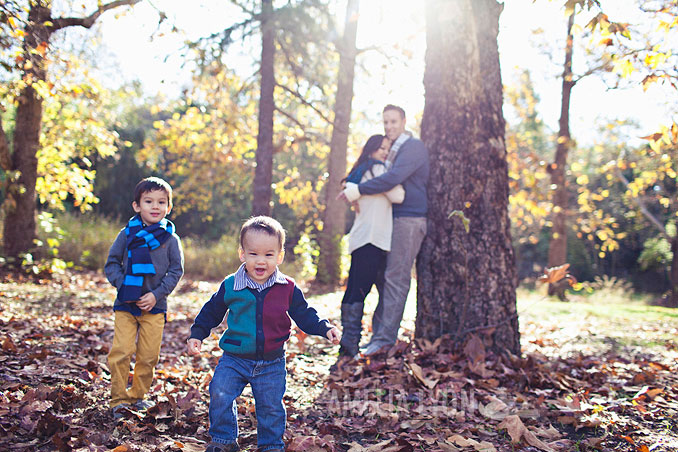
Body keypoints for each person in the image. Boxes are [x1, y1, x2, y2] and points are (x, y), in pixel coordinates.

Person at [187, 216, 341, 452]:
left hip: (271, 361)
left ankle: (270, 444)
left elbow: (305, 313)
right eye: (253, 254)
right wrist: (197, 333)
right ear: (242, 254)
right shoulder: (231, 285)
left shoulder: (287, 287)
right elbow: (211, 311)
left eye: (269, 255)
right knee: (220, 392)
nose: (261, 261)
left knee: (270, 406)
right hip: (235, 358)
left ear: (279, 256)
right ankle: (224, 440)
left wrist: (325, 327)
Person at [340, 104, 429, 356]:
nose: (389, 127)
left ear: (403, 121)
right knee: (386, 279)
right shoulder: (391, 152)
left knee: (396, 279)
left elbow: (393, 180)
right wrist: (351, 184)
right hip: (393, 219)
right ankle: (378, 337)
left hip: (409, 217)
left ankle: (384, 339)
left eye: (394, 122)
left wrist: (357, 189)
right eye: (385, 122)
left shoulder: (412, 147)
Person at [104, 176, 184, 419]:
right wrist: (125, 287)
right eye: (148, 201)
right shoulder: (127, 234)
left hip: (155, 307)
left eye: (161, 202)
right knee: (121, 350)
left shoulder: (170, 239)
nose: (155, 206)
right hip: (125, 306)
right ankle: (118, 399)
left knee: (148, 355)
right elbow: (112, 264)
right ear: (137, 206)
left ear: (168, 208)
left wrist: (156, 294)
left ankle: (137, 396)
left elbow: (176, 271)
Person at [334, 134, 404, 368]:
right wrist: (382, 186)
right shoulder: (377, 170)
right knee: (358, 291)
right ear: (371, 149)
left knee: (360, 289)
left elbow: (351, 187)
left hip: (371, 241)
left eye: (387, 148)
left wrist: (361, 190)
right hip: (370, 241)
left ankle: (355, 345)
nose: (385, 152)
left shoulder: (362, 174)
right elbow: (398, 194)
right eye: (381, 148)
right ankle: (349, 347)